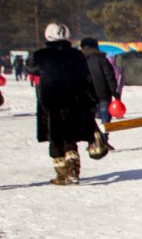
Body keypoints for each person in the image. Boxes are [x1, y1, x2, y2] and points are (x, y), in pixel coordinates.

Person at [27, 23, 98, 185]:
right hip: (74, 100)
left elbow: (31, 69)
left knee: (55, 137)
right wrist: (91, 99)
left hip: (51, 101)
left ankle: (61, 174)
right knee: (70, 136)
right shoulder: (77, 55)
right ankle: (73, 169)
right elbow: (86, 78)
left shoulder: (41, 55)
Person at [79, 37, 120, 128]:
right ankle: (104, 138)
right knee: (105, 118)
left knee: (88, 118)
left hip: (86, 96)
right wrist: (114, 92)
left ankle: (93, 138)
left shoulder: (79, 60)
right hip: (103, 94)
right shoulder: (102, 59)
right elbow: (110, 76)